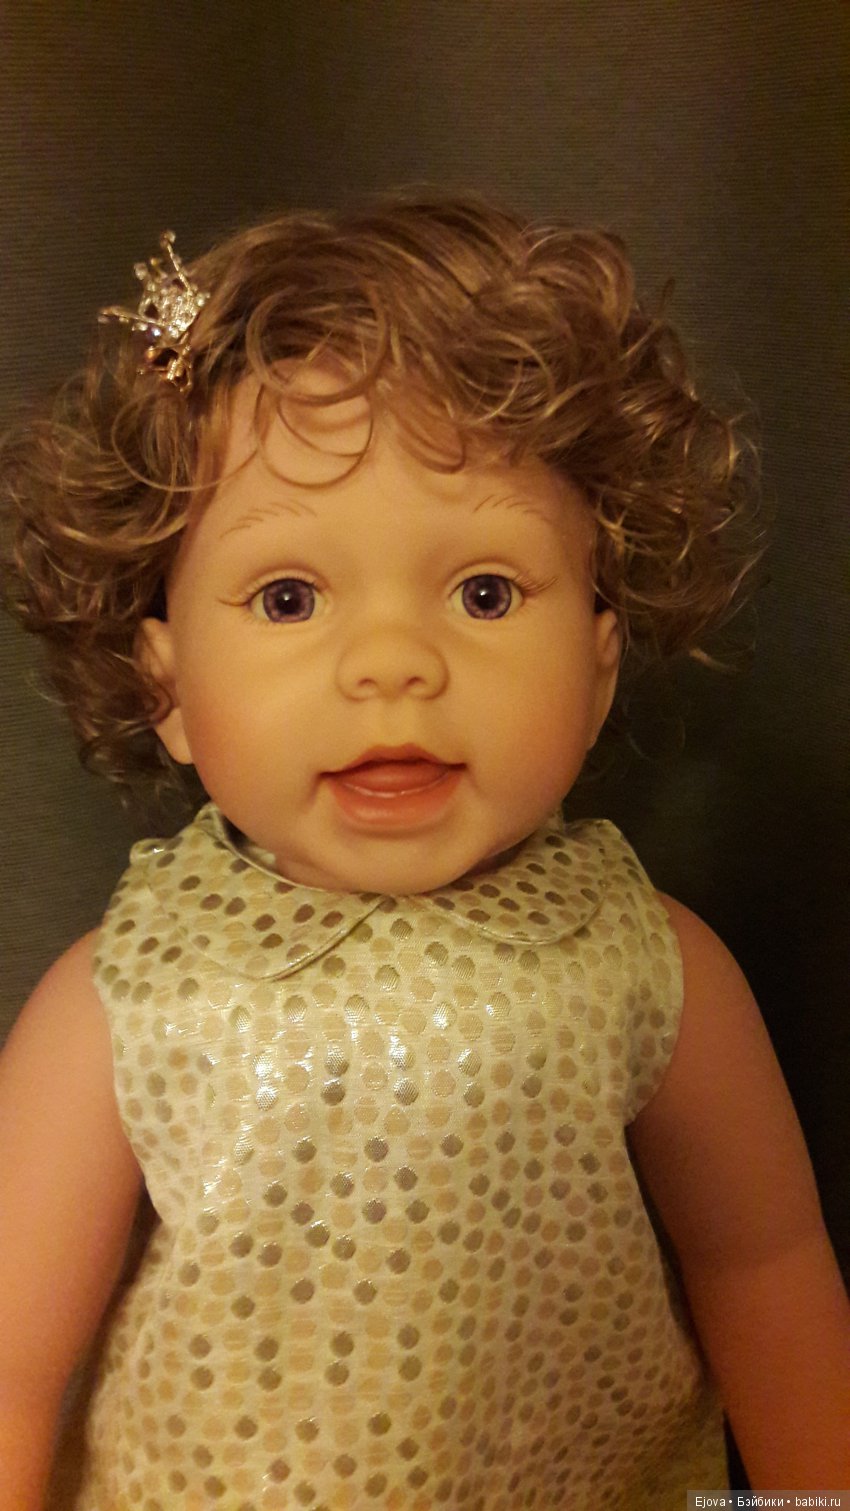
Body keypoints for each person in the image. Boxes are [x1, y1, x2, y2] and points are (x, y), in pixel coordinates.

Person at [0, 193, 847, 1511]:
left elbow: (766, 1272)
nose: (394, 663)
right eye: (289, 596)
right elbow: (11, 1363)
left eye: (484, 592)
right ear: (161, 681)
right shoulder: (127, 1001)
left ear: (599, 664)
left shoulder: (646, 968)